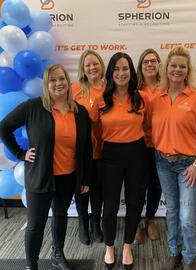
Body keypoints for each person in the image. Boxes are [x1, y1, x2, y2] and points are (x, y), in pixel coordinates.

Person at [0, 64, 93, 270]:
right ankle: (31, 264)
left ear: (68, 82)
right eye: (52, 80)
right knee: (35, 224)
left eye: (62, 79)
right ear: (46, 84)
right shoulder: (33, 107)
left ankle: (57, 254)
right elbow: (3, 127)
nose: (58, 83)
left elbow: (86, 149)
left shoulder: (80, 112)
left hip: (68, 177)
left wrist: (85, 179)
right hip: (40, 176)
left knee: (61, 215)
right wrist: (20, 153)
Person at [149, 46, 196, 270]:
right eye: (173, 65)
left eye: (182, 66)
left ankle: (190, 257)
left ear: (188, 70)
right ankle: (174, 252)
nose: (177, 69)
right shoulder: (157, 97)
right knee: (173, 211)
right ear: (166, 69)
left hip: (189, 165)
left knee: (187, 215)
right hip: (163, 163)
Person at [90, 52, 149, 270]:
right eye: (116, 69)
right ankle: (109, 246)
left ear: (131, 72)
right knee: (111, 205)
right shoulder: (101, 99)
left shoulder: (142, 98)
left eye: (125, 68)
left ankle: (127, 246)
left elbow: (149, 124)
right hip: (111, 155)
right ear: (110, 73)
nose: (121, 73)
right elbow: (90, 127)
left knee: (134, 203)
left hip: (136, 153)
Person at [72, 50, 106, 245]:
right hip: (81, 152)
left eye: (95, 64)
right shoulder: (75, 90)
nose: (92, 68)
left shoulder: (110, 89)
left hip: (104, 149)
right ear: (82, 69)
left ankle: (96, 222)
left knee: (98, 190)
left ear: (101, 66)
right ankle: (83, 223)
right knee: (82, 189)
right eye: (88, 65)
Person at [133, 48, 163, 244]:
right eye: (146, 61)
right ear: (140, 66)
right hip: (140, 145)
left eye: (153, 61)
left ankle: (150, 219)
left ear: (159, 64)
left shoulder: (167, 87)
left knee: (156, 185)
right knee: (138, 186)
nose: (150, 64)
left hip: (162, 145)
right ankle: (135, 222)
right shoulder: (134, 89)